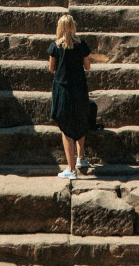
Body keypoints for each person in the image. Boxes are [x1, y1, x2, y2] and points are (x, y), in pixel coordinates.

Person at [48, 14, 91, 179]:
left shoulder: (55, 47)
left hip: (63, 89)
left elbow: (52, 69)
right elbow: (87, 67)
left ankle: (71, 170)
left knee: (65, 127)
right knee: (81, 119)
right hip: (79, 88)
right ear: (73, 27)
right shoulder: (82, 45)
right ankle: (81, 158)